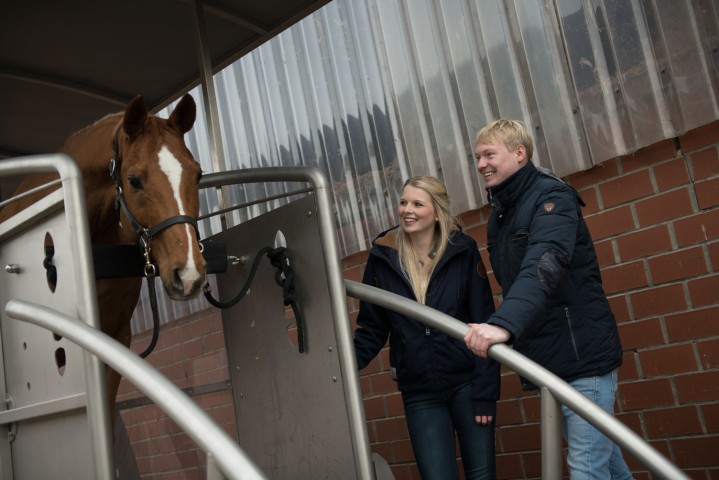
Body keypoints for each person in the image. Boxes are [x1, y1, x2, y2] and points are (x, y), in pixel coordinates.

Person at [464, 119, 633, 479]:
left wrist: (503, 325)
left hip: (583, 358)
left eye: (489, 154)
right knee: (609, 468)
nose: (480, 165)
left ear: (519, 153)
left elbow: (545, 263)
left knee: (587, 469)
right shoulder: (501, 215)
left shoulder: (552, 197)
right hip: (550, 359)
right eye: (477, 157)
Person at [354, 176, 500, 480]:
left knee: (481, 476)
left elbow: (484, 320)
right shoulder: (383, 256)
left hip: (468, 385)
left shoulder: (462, 250)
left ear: (437, 211)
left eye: (417, 203)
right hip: (419, 391)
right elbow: (371, 328)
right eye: (403, 202)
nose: (407, 209)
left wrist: (486, 393)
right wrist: (340, 369)